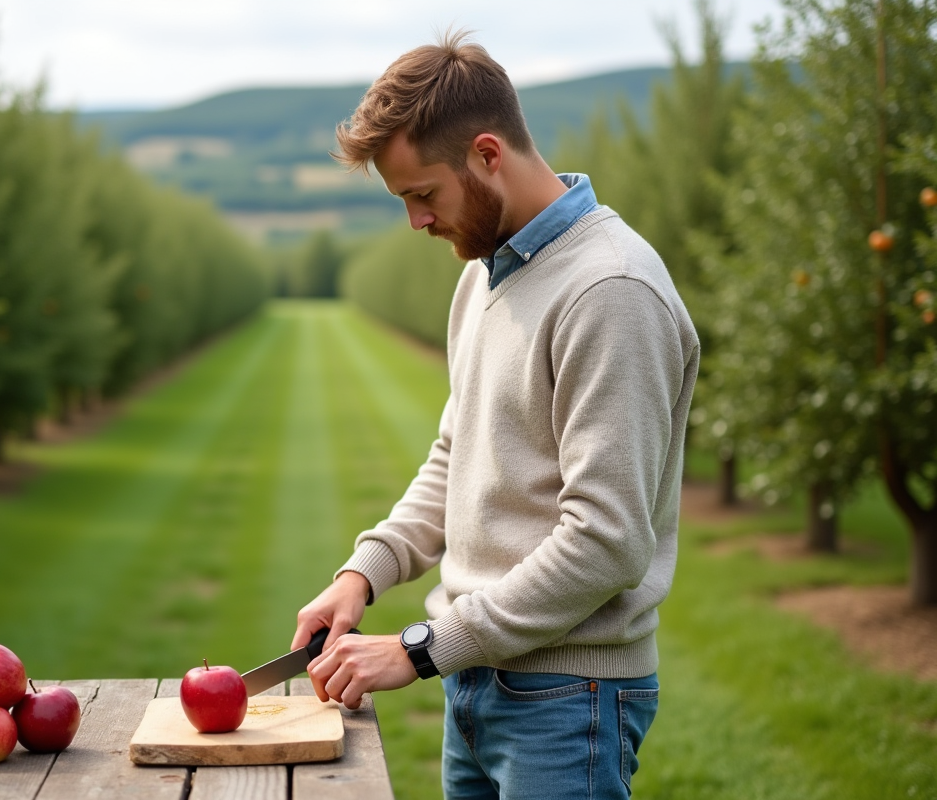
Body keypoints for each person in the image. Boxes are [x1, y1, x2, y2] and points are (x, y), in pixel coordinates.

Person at [290, 30, 700, 800]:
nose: (416, 221)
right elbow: (458, 454)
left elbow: (607, 541)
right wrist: (364, 573)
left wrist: (418, 649)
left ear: (486, 154)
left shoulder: (610, 291)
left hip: (567, 701)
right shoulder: (487, 276)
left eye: (423, 194)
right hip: (477, 683)